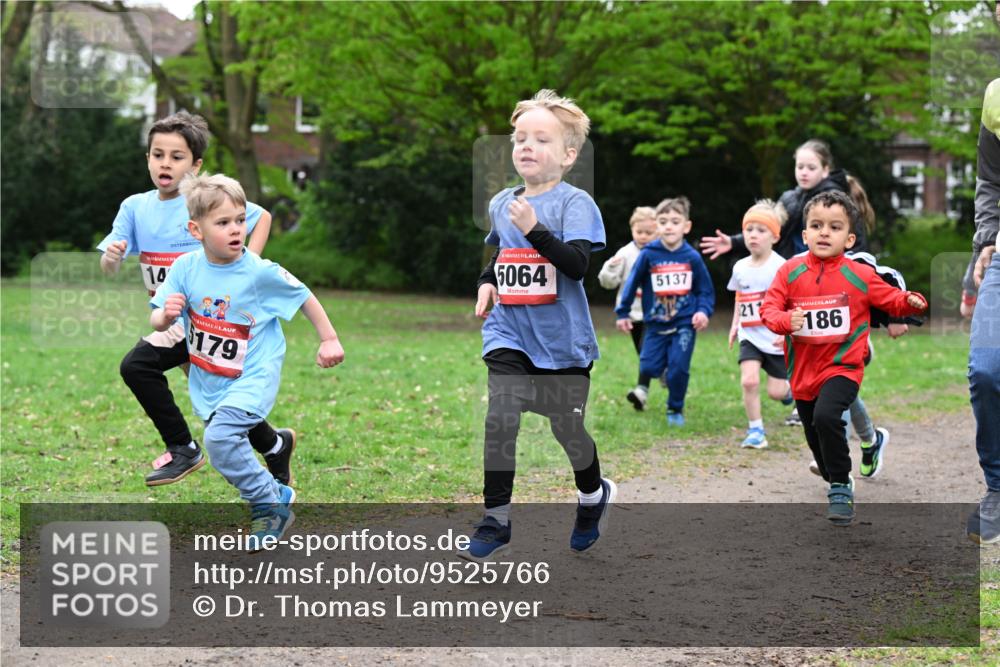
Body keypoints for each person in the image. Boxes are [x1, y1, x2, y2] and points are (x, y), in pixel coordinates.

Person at [97, 112, 297, 487]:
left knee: (137, 366)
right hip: (175, 322)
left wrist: (246, 269)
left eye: (177, 157)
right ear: (148, 159)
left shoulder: (203, 204)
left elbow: (262, 217)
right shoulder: (135, 208)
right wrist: (111, 257)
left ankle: (183, 448)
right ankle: (274, 445)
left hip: (212, 321)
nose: (165, 164)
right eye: (158, 155)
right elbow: (109, 263)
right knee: (218, 404)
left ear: (196, 166)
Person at [461, 89, 615, 562]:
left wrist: (534, 228)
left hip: (562, 343)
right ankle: (496, 519)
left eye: (540, 139)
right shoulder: (502, 203)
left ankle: (592, 494)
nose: (526, 146)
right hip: (509, 333)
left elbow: (574, 266)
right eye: (520, 137)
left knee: (567, 432)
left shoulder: (576, 205)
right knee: (500, 417)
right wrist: (488, 282)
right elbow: (503, 254)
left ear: (568, 155)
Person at [150, 173, 344, 547]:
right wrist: (165, 315)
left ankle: (268, 504)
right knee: (225, 443)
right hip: (211, 379)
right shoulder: (185, 268)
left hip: (254, 374)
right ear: (197, 229)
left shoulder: (257, 271)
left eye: (240, 220)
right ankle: (275, 492)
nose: (236, 229)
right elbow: (158, 317)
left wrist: (329, 338)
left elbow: (302, 294)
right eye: (223, 223)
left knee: (219, 439)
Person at [760, 191, 927, 526]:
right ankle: (834, 474)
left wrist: (911, 301)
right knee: (814, 435)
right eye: (816, 225)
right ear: (804, 234)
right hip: (803, 371)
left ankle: (840, 487)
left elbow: (890, 298)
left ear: (849, 238)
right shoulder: (789, 272)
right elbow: (769, 308)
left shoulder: (859, 274)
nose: (824, 232)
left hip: (844, 367)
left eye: (834, 227)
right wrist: (784, 321)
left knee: (827, 417)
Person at [615, 197, 715, 426]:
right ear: (656, 226)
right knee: (648, 366)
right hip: (655, 323)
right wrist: (623, 312)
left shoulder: (692, 258)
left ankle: (674, 409)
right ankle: (663, 371)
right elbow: (631, 283)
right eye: (663, 221)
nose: (669, 226)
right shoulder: (649, 255)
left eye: (675, 221)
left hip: (684, 324)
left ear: (686, 226)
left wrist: (703, 312)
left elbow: (705, 290)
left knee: (678, 369)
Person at [726, 200, 793, 449]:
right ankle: (756, 431)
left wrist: (786, 330)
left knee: (776, 392)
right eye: (749, 229)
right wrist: (735, 325)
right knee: (749, 381)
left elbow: (792, 301)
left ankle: (790, 395)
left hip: (774, 337)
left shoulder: (781, 267)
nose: (753, 235)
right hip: (750, 335)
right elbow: (740, 296)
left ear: (774, 236)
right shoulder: (740, 267)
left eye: (761, 230)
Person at [966, 78, 1000, 544]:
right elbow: (991, 180)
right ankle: (997, 485)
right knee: (987, 369)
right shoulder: (996, 96)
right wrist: (988, 239)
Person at [598, 206, 658, 410]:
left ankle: (643, 389)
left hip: (656, 312)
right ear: (632, 229)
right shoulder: (625, 253)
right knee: (644, 355)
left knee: (647, 352)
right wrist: (610, 268)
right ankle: (643, 394)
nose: (643, 236)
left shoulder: (662, 251)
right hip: (633, 314)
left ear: (658, 231)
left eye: (649, 233)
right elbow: (607, 283)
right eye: (639, 232)